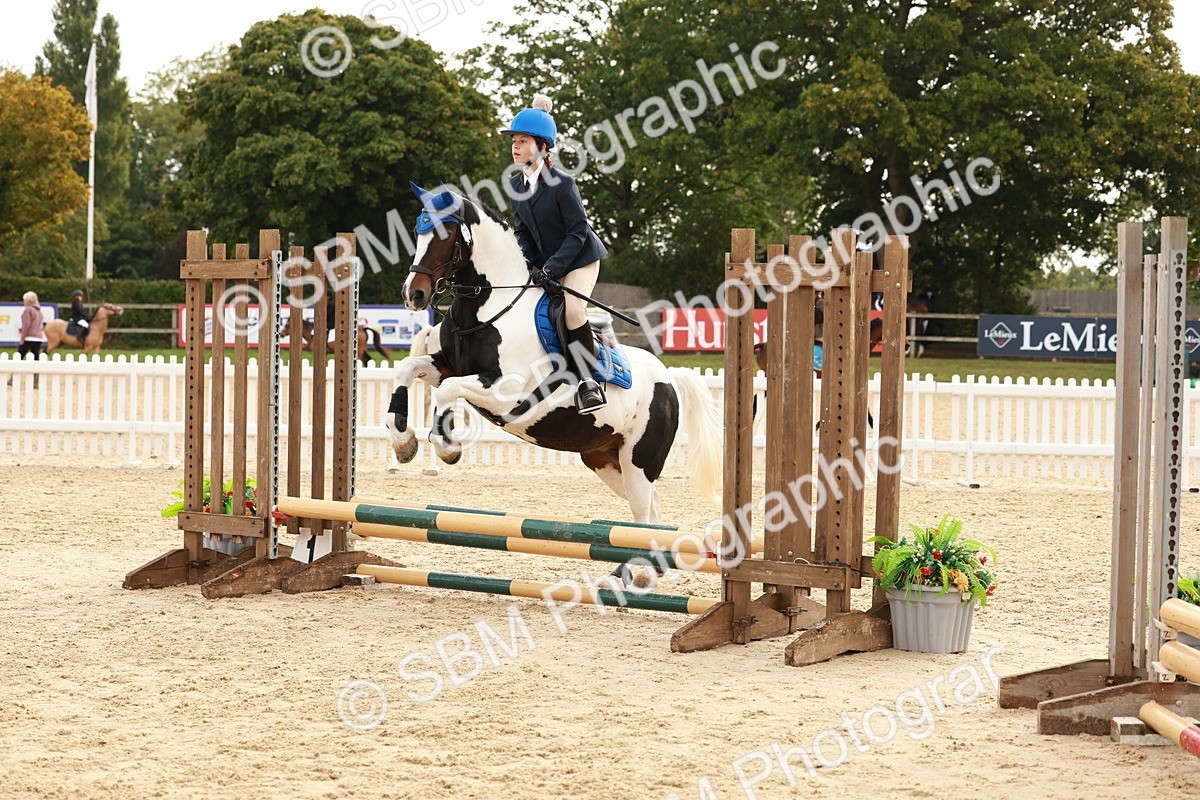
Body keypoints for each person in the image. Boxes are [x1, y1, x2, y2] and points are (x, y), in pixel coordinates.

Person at [502, 94, 609, 413]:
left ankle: (589, 383)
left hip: (580, 259)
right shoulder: (515, 184)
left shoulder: (562, 183)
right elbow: (522, 231)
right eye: (514, 141)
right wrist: (528, 265)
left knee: (573, 311)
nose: (515, 146)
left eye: (522, 140)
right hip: (547, 264)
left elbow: (577, 232)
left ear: (542, 147)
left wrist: (551, 268)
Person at [14, 291, 45, 387]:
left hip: (29, 337)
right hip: (38, 338)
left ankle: (13, 378)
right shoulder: (39, 311)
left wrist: (22, 338)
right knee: (36, 359)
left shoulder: (28, 310)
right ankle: (36, 382)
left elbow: (26, 325)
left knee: (19, 356)